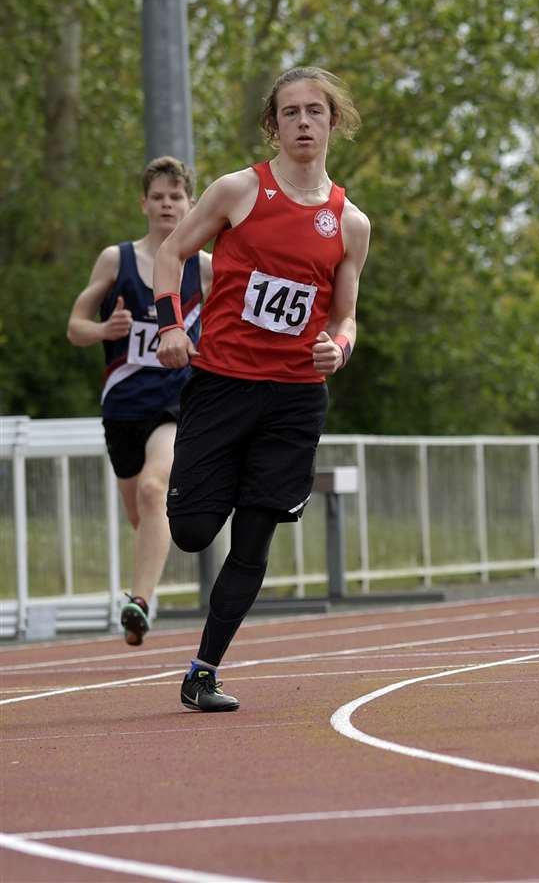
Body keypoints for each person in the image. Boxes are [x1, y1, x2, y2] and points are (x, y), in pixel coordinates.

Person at [155, 67, 371, 710]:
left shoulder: (350, 222)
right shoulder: (237, 191)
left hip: (295, 397)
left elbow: (345, 316)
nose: (303, 122)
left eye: (315, 112)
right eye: (290, 112)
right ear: (272, 124)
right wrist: (171, 325)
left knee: (254, 539)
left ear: (335, 123)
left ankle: (204, 670)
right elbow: (173, 254)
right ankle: (202, 489)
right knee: (193, 530)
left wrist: (342, 347)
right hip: (222, 383)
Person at [65, 157, 212, 645]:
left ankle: (140, 600)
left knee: (155, 490)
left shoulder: (205, 268)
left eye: (177, 197)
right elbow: (75, 327)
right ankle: (143, 595)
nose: (168, 205)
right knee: (140, 512)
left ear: (190, 203)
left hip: (177, 401)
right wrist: (105, 329)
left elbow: (235, 322)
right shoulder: (117, 259)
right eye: (159, 196)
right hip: (124, 406)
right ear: (144, 203)